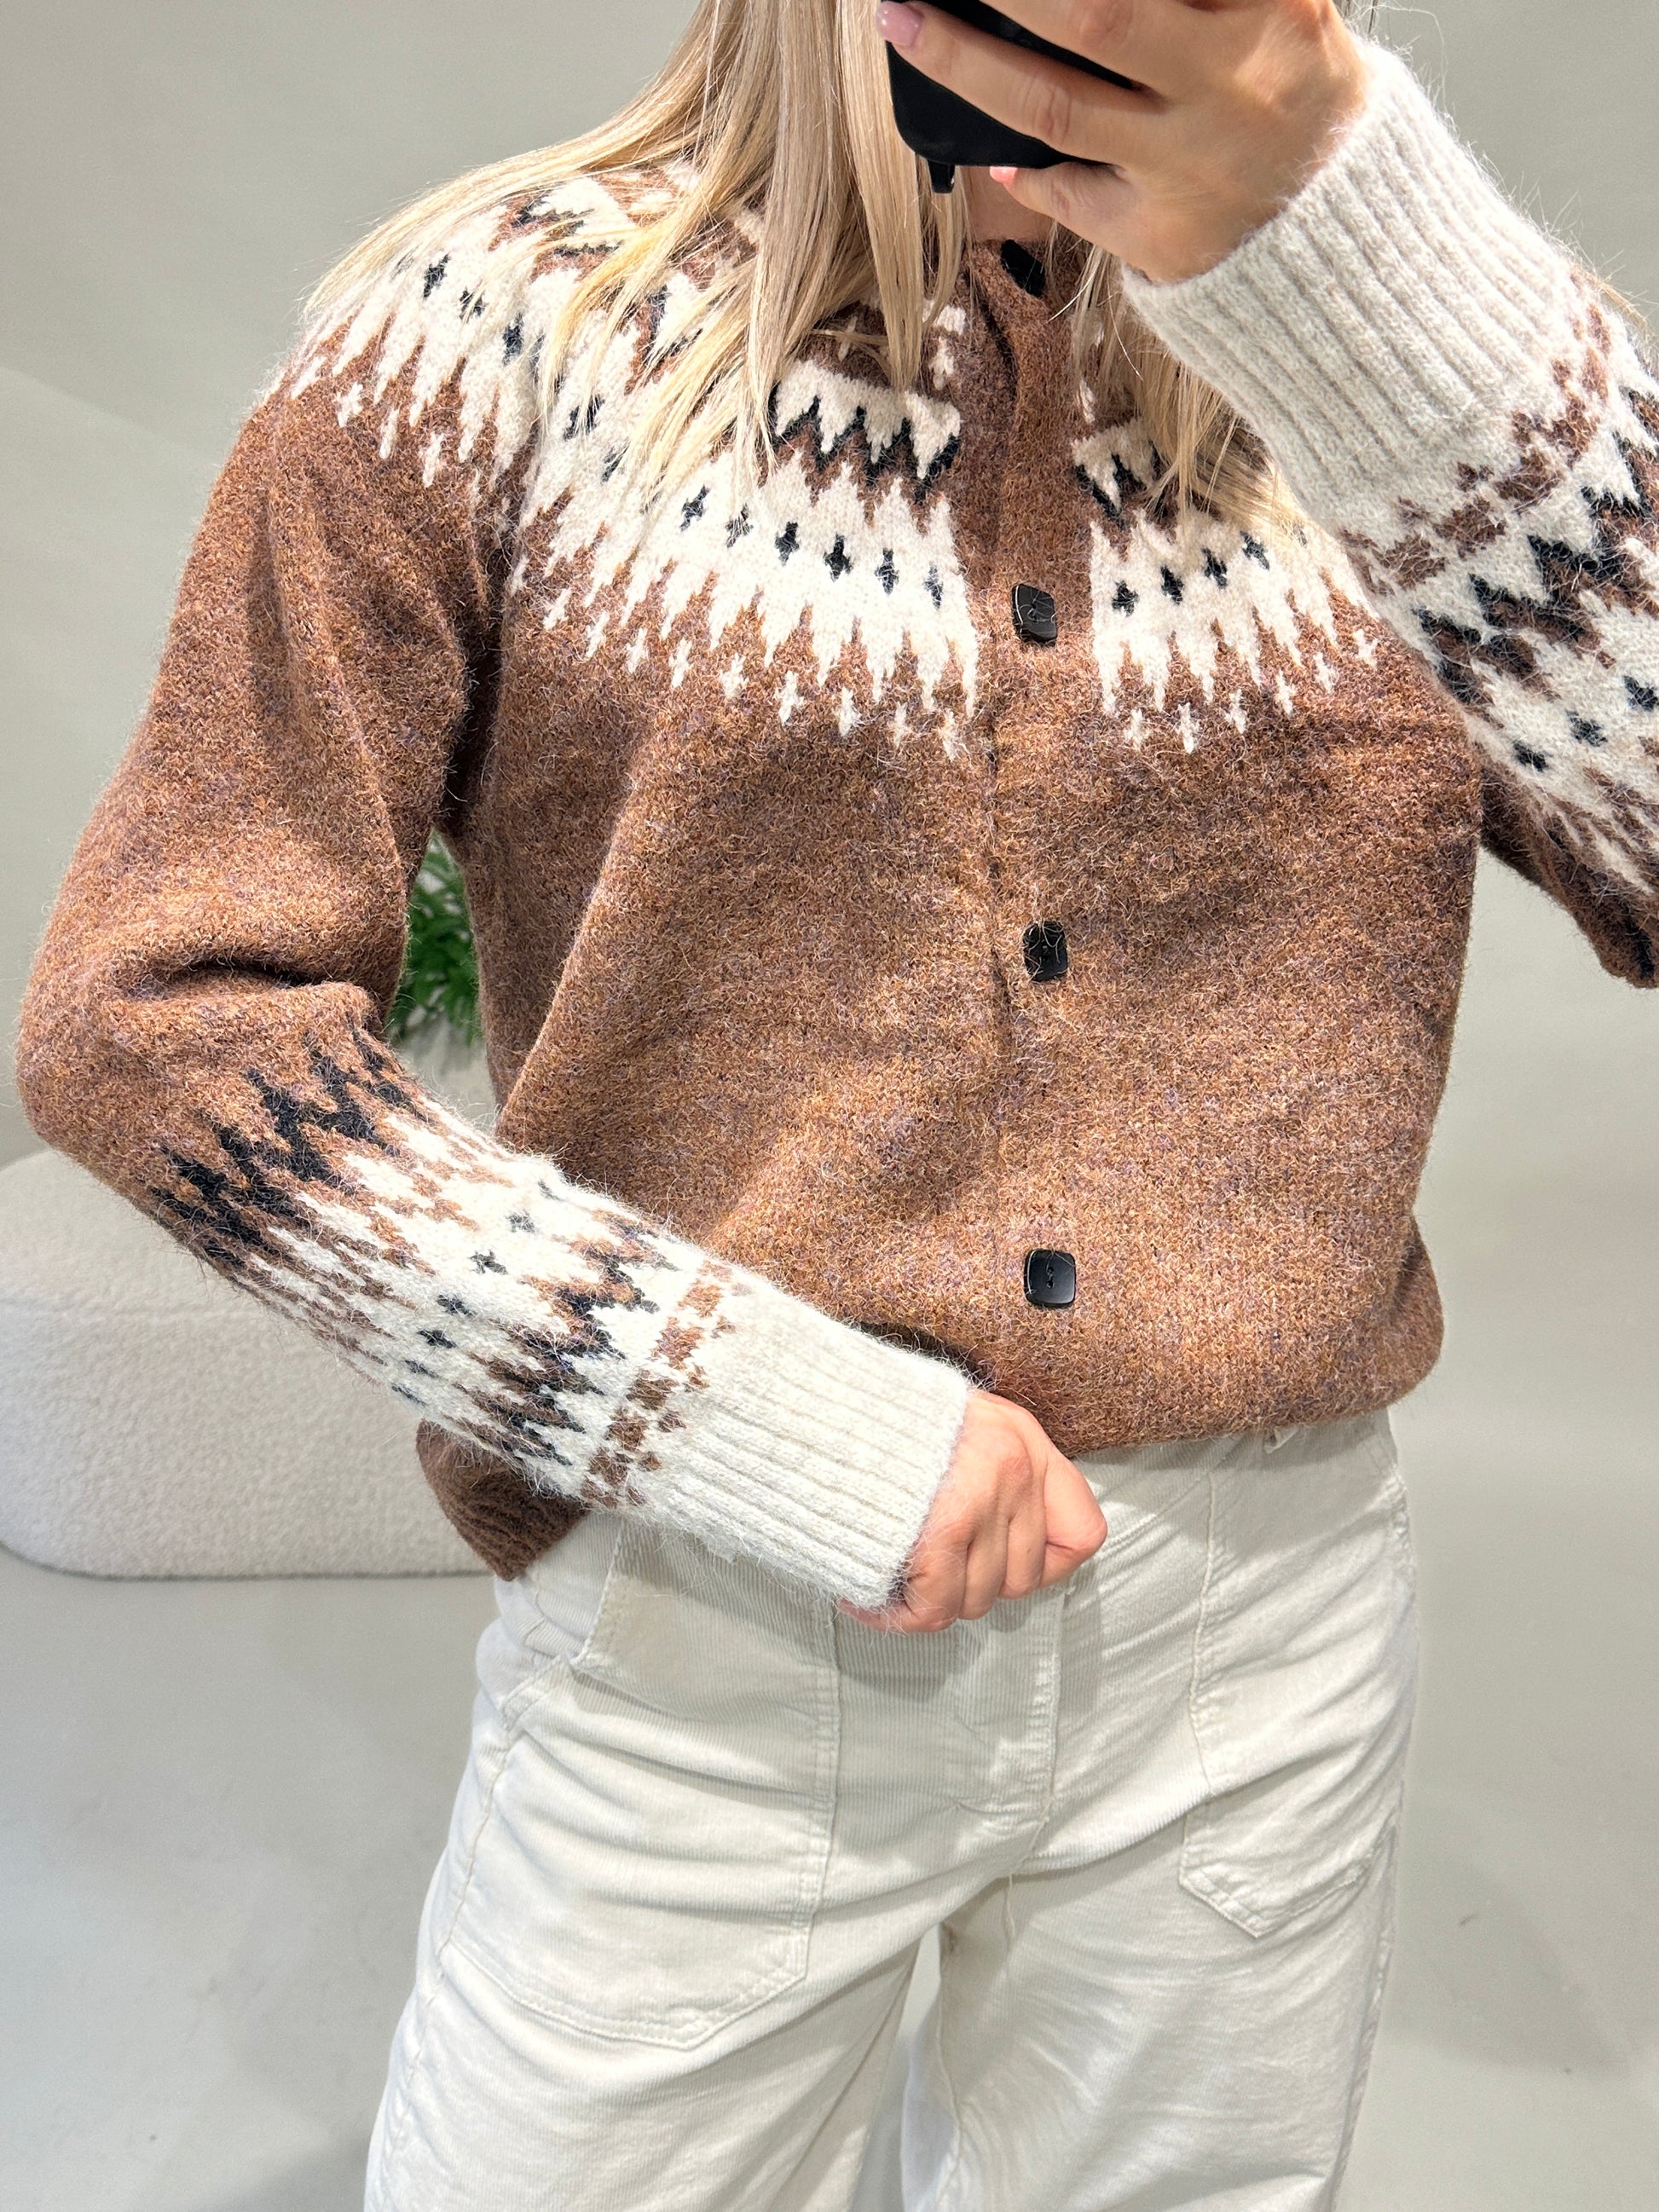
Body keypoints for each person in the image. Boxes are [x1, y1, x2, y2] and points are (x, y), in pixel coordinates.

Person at [15, 0, 1657, 2203]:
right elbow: (158, 1012)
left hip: (1256, 1649)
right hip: (713, 1612)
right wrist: (738, 1412)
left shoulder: (1406, 384)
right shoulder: (491, 334)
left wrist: (1364, 253)